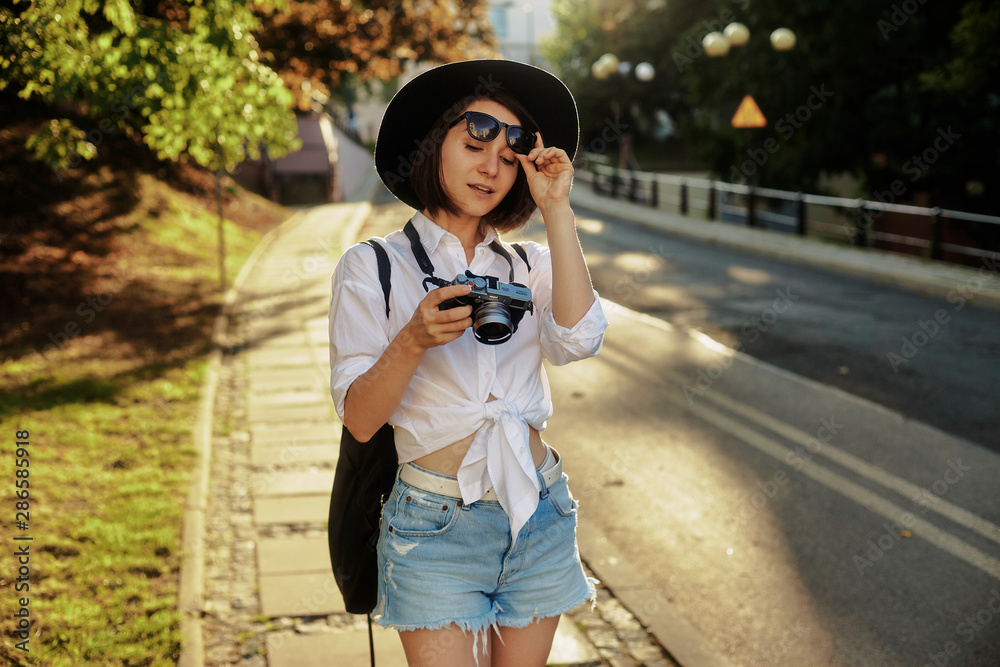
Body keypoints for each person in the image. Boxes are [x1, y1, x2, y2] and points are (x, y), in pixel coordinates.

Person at [328, 59, 609, 667]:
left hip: (538, 512)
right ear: (435, 147)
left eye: (510, 158)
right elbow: (359, 420)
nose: (491, 167)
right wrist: (413, 339)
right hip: (433, 528)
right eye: (475, 143)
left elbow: (581, 339)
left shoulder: (529, 264)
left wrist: (557, 206)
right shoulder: (373, 267)